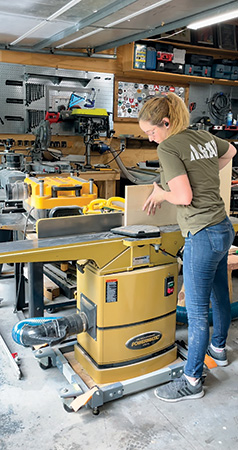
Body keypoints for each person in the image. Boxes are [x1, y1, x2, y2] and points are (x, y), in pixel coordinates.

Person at [138, 93, 236, 402]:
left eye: (151, 132)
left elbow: (183, 198)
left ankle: (192, 380)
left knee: (195, 312)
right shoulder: (202, 135)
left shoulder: (168, 146)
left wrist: (161, 193)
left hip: (202, 233)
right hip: (223, 227)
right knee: (221, 295)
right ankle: (218, 351)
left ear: (165, 124)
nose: (151, 139)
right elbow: (231, 149)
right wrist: (205, 173)